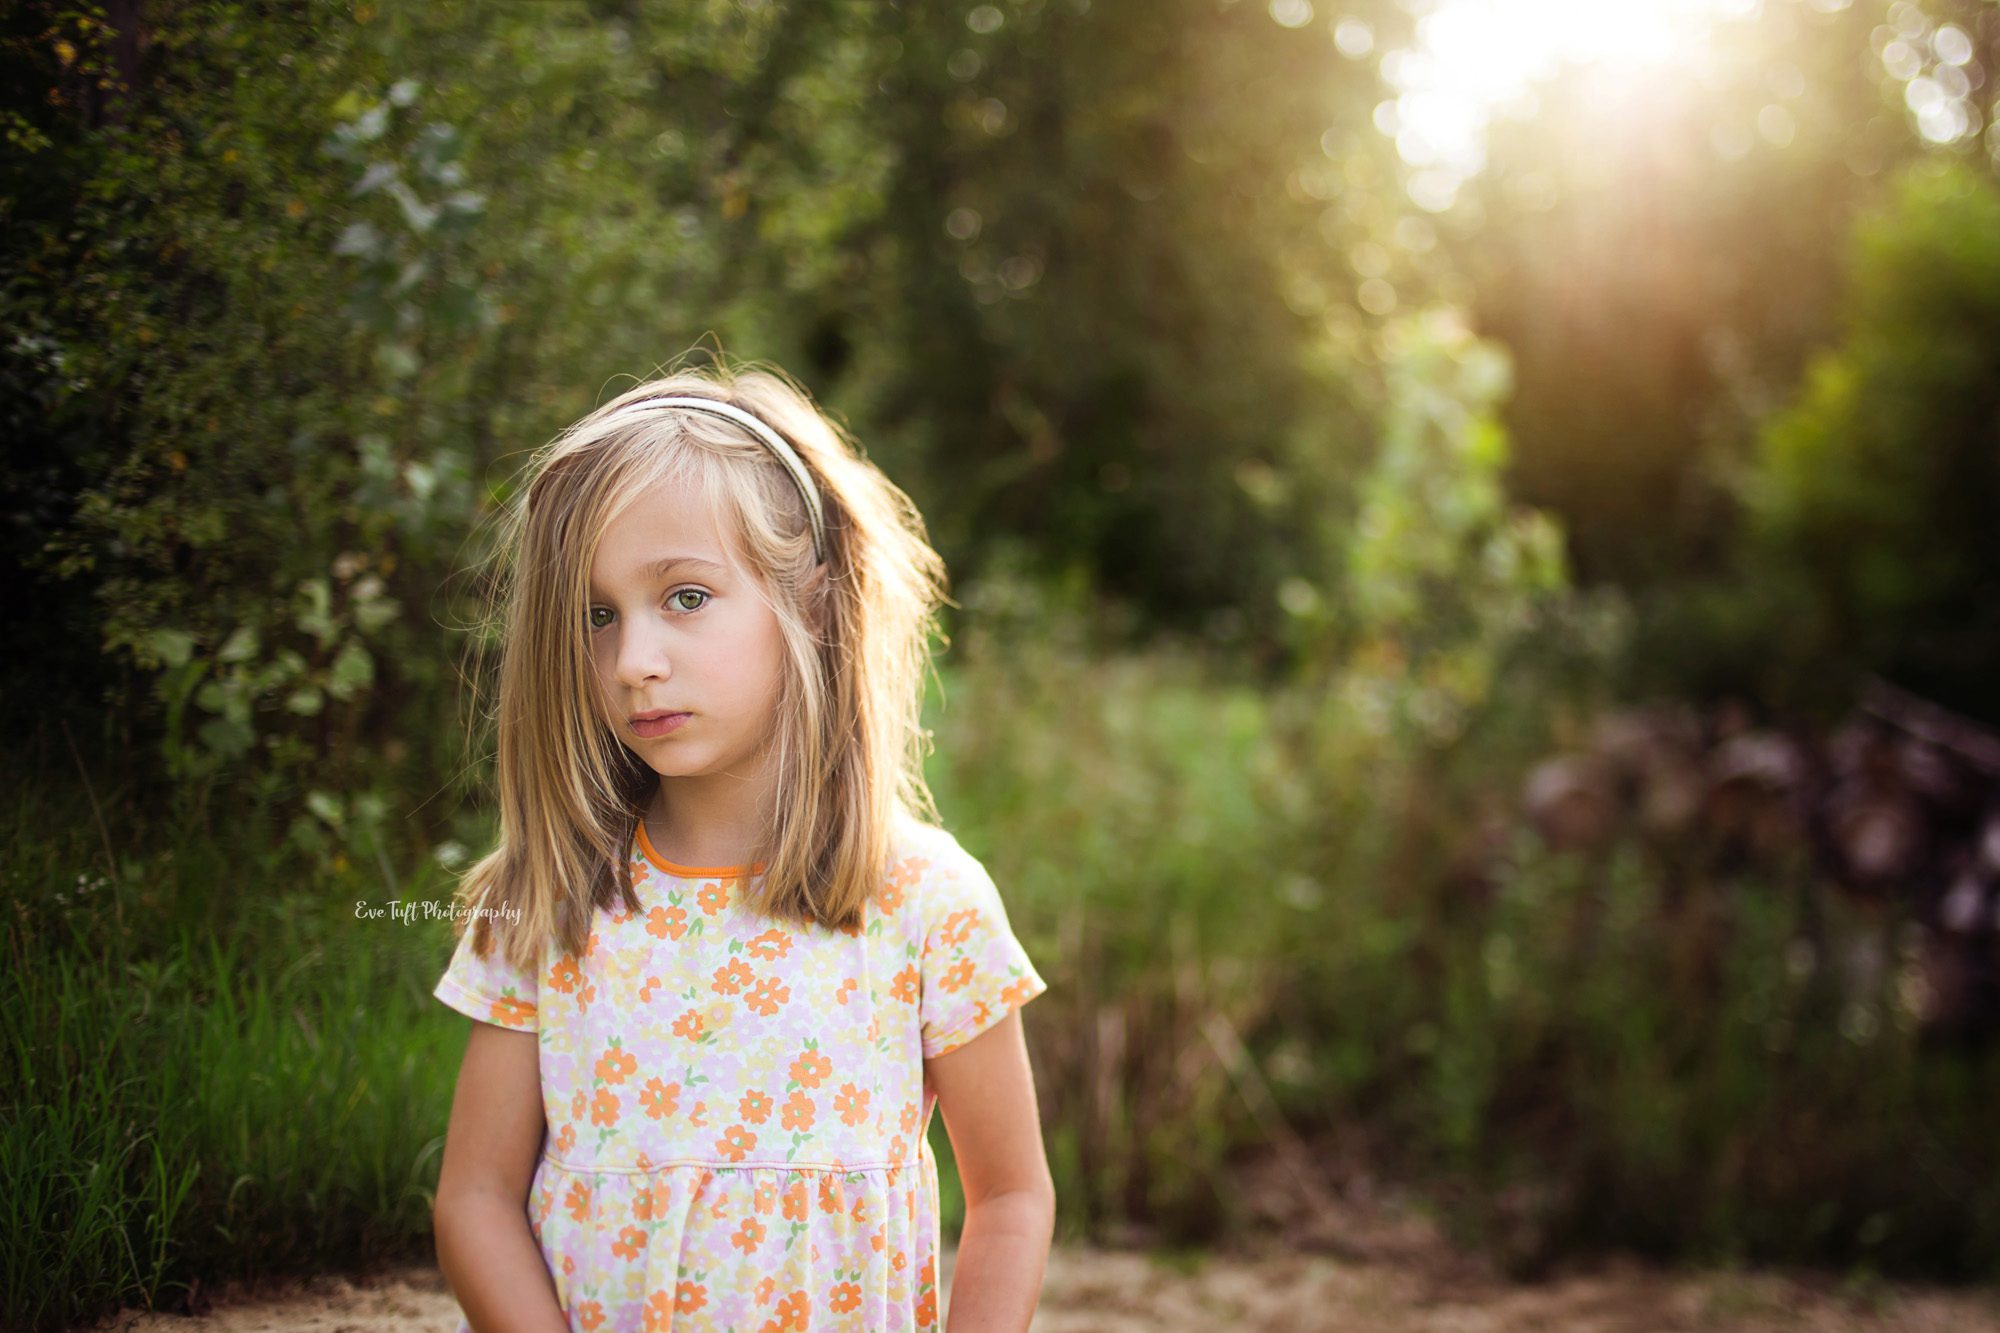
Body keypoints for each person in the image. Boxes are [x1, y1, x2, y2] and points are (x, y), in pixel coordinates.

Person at [429, 361, 1053, 1333]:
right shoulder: (545, 899)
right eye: (598, 615)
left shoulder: (926, 899)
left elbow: (1010, 1196)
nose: (632, 658)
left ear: (808, 602)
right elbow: (472, 1198)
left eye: (682, 596)